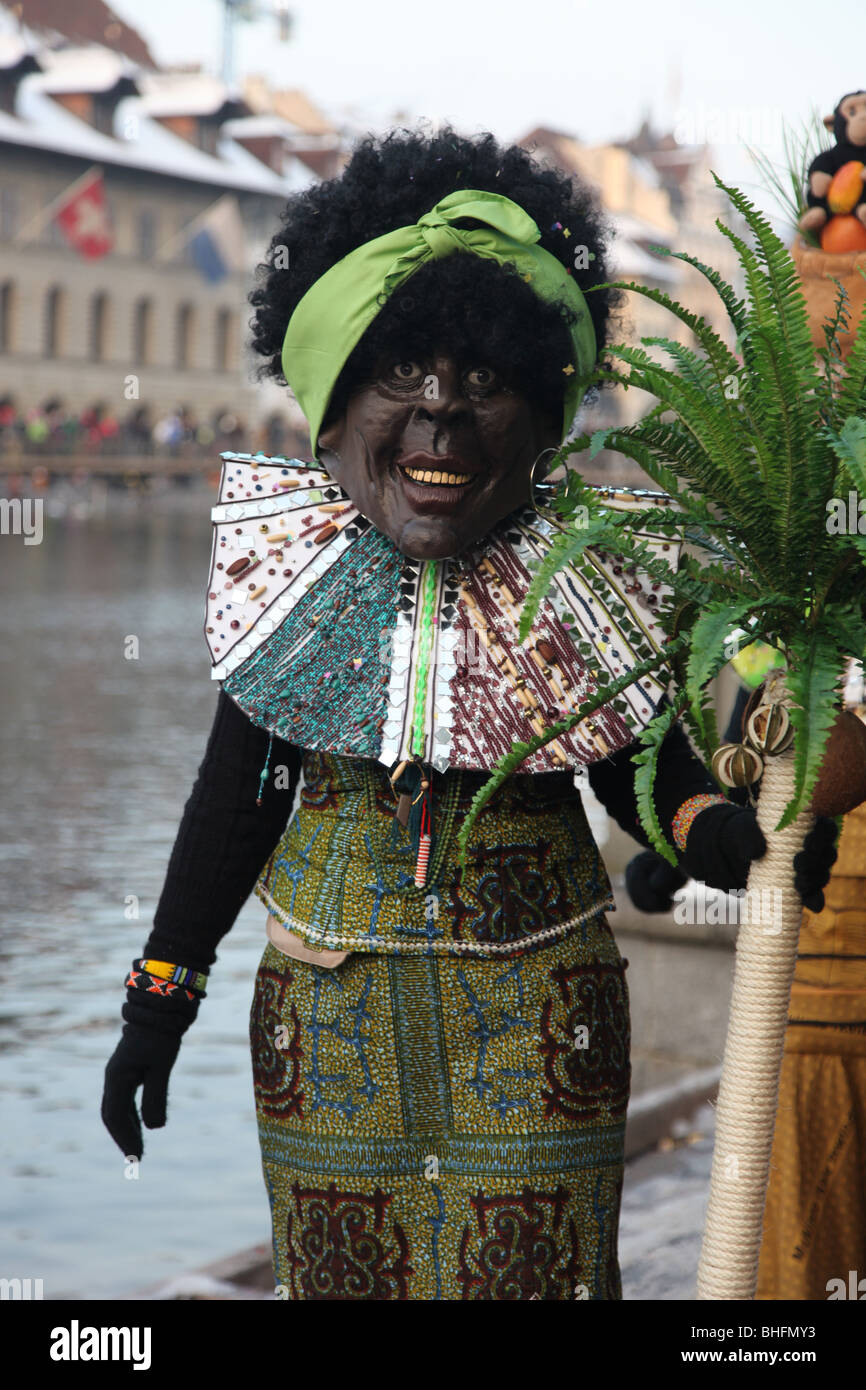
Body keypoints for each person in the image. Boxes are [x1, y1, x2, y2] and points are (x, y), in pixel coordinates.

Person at [101, 128, 835, 1301]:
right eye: (402, 376)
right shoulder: (295, 584)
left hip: (539, 1018)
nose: (438, 417)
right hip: (325, 1028)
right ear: (337, 405)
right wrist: (157, 1002)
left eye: (482, 382)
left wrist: (712, 833)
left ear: (542, 417)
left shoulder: (580, 578)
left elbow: (639, 769)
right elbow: (233, 806)